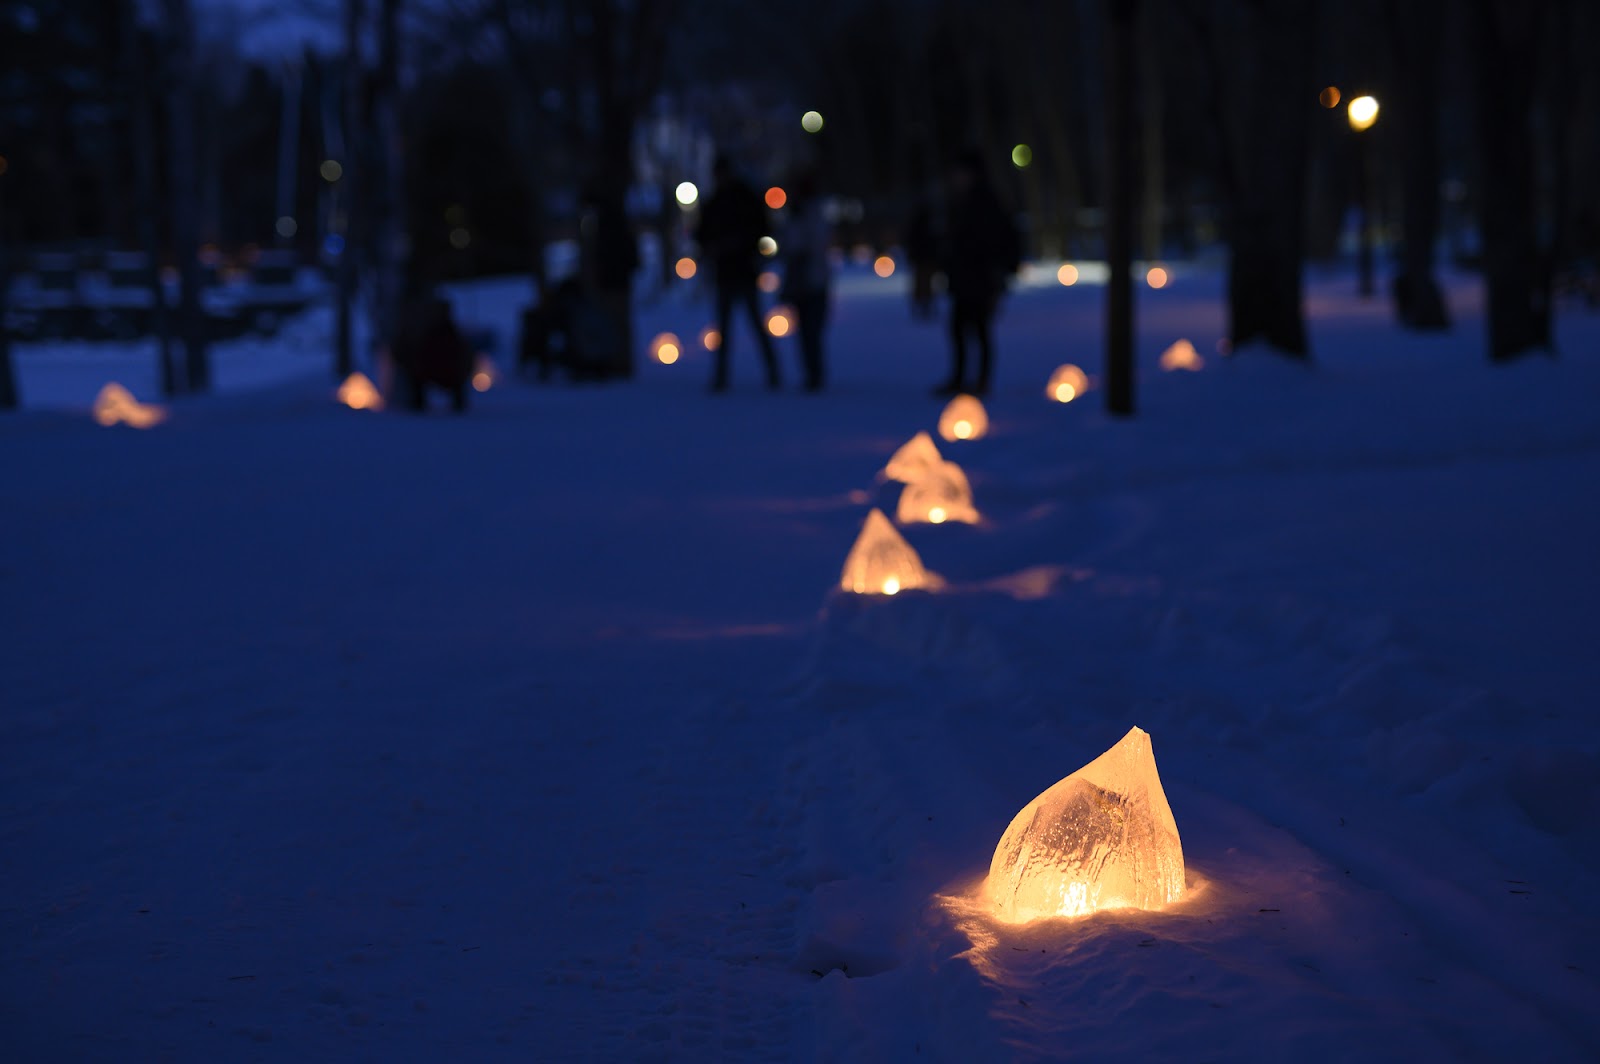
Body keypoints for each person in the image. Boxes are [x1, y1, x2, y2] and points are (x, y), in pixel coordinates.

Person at [936, 149, 1020, 397]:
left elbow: (994, 240)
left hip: (980, 278)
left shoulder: (984, 202)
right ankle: (962, 378)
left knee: (979, 329)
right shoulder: (963, 201)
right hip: (966, 277)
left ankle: (980, 381)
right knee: (960, 328)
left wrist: (998, 272)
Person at [696, 155, 780, 392]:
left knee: (753, 323)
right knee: (724, 328)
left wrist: (744, 246)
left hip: (743, 269)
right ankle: (723, 376)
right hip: (726, 271)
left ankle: (771, 371)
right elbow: (701, 234)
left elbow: (761, 228)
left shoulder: (743, 198)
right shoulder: (716, 201)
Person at [780, 172, 832, 392]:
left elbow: (803, 246)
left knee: (810, 330)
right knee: (807, 330)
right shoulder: (806, 215)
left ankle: (815, 374)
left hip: (810, 279)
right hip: (808, 280)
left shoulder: (808, 216)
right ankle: (813, 373)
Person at [904, 197, 939, 321]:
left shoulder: (920, 225)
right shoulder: (928, 225)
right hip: (924, 258)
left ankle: (923, 305)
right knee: (924, 283)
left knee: (922, 283)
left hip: (922, 259)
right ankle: (924, 305)